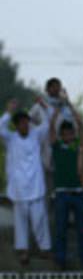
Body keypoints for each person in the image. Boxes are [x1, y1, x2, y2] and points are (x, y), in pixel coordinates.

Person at [1, 99, 52, 264]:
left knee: (39, 219)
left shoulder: (36, 135)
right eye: (21, 123)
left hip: (36, 186)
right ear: (16, 125)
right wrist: (8, 112)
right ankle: (23, 251)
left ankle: (44, 248)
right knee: (20, 222)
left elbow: (48, 121)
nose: (25, 125)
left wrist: (44, 106)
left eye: (26, 122)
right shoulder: (11, 139)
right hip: (18, 188)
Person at [48, 100, 83, 269]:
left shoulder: (77, 146)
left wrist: (70, 104)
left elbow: (81, 125)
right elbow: (51, 129)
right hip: (62, 193)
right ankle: (60, 261)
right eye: (65, 134)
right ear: (62, 135)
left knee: (82, 229)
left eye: (71, 133)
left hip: (78, 193)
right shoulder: (56, 147)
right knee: (61, 229)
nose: (68, 136)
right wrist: (57, 110)